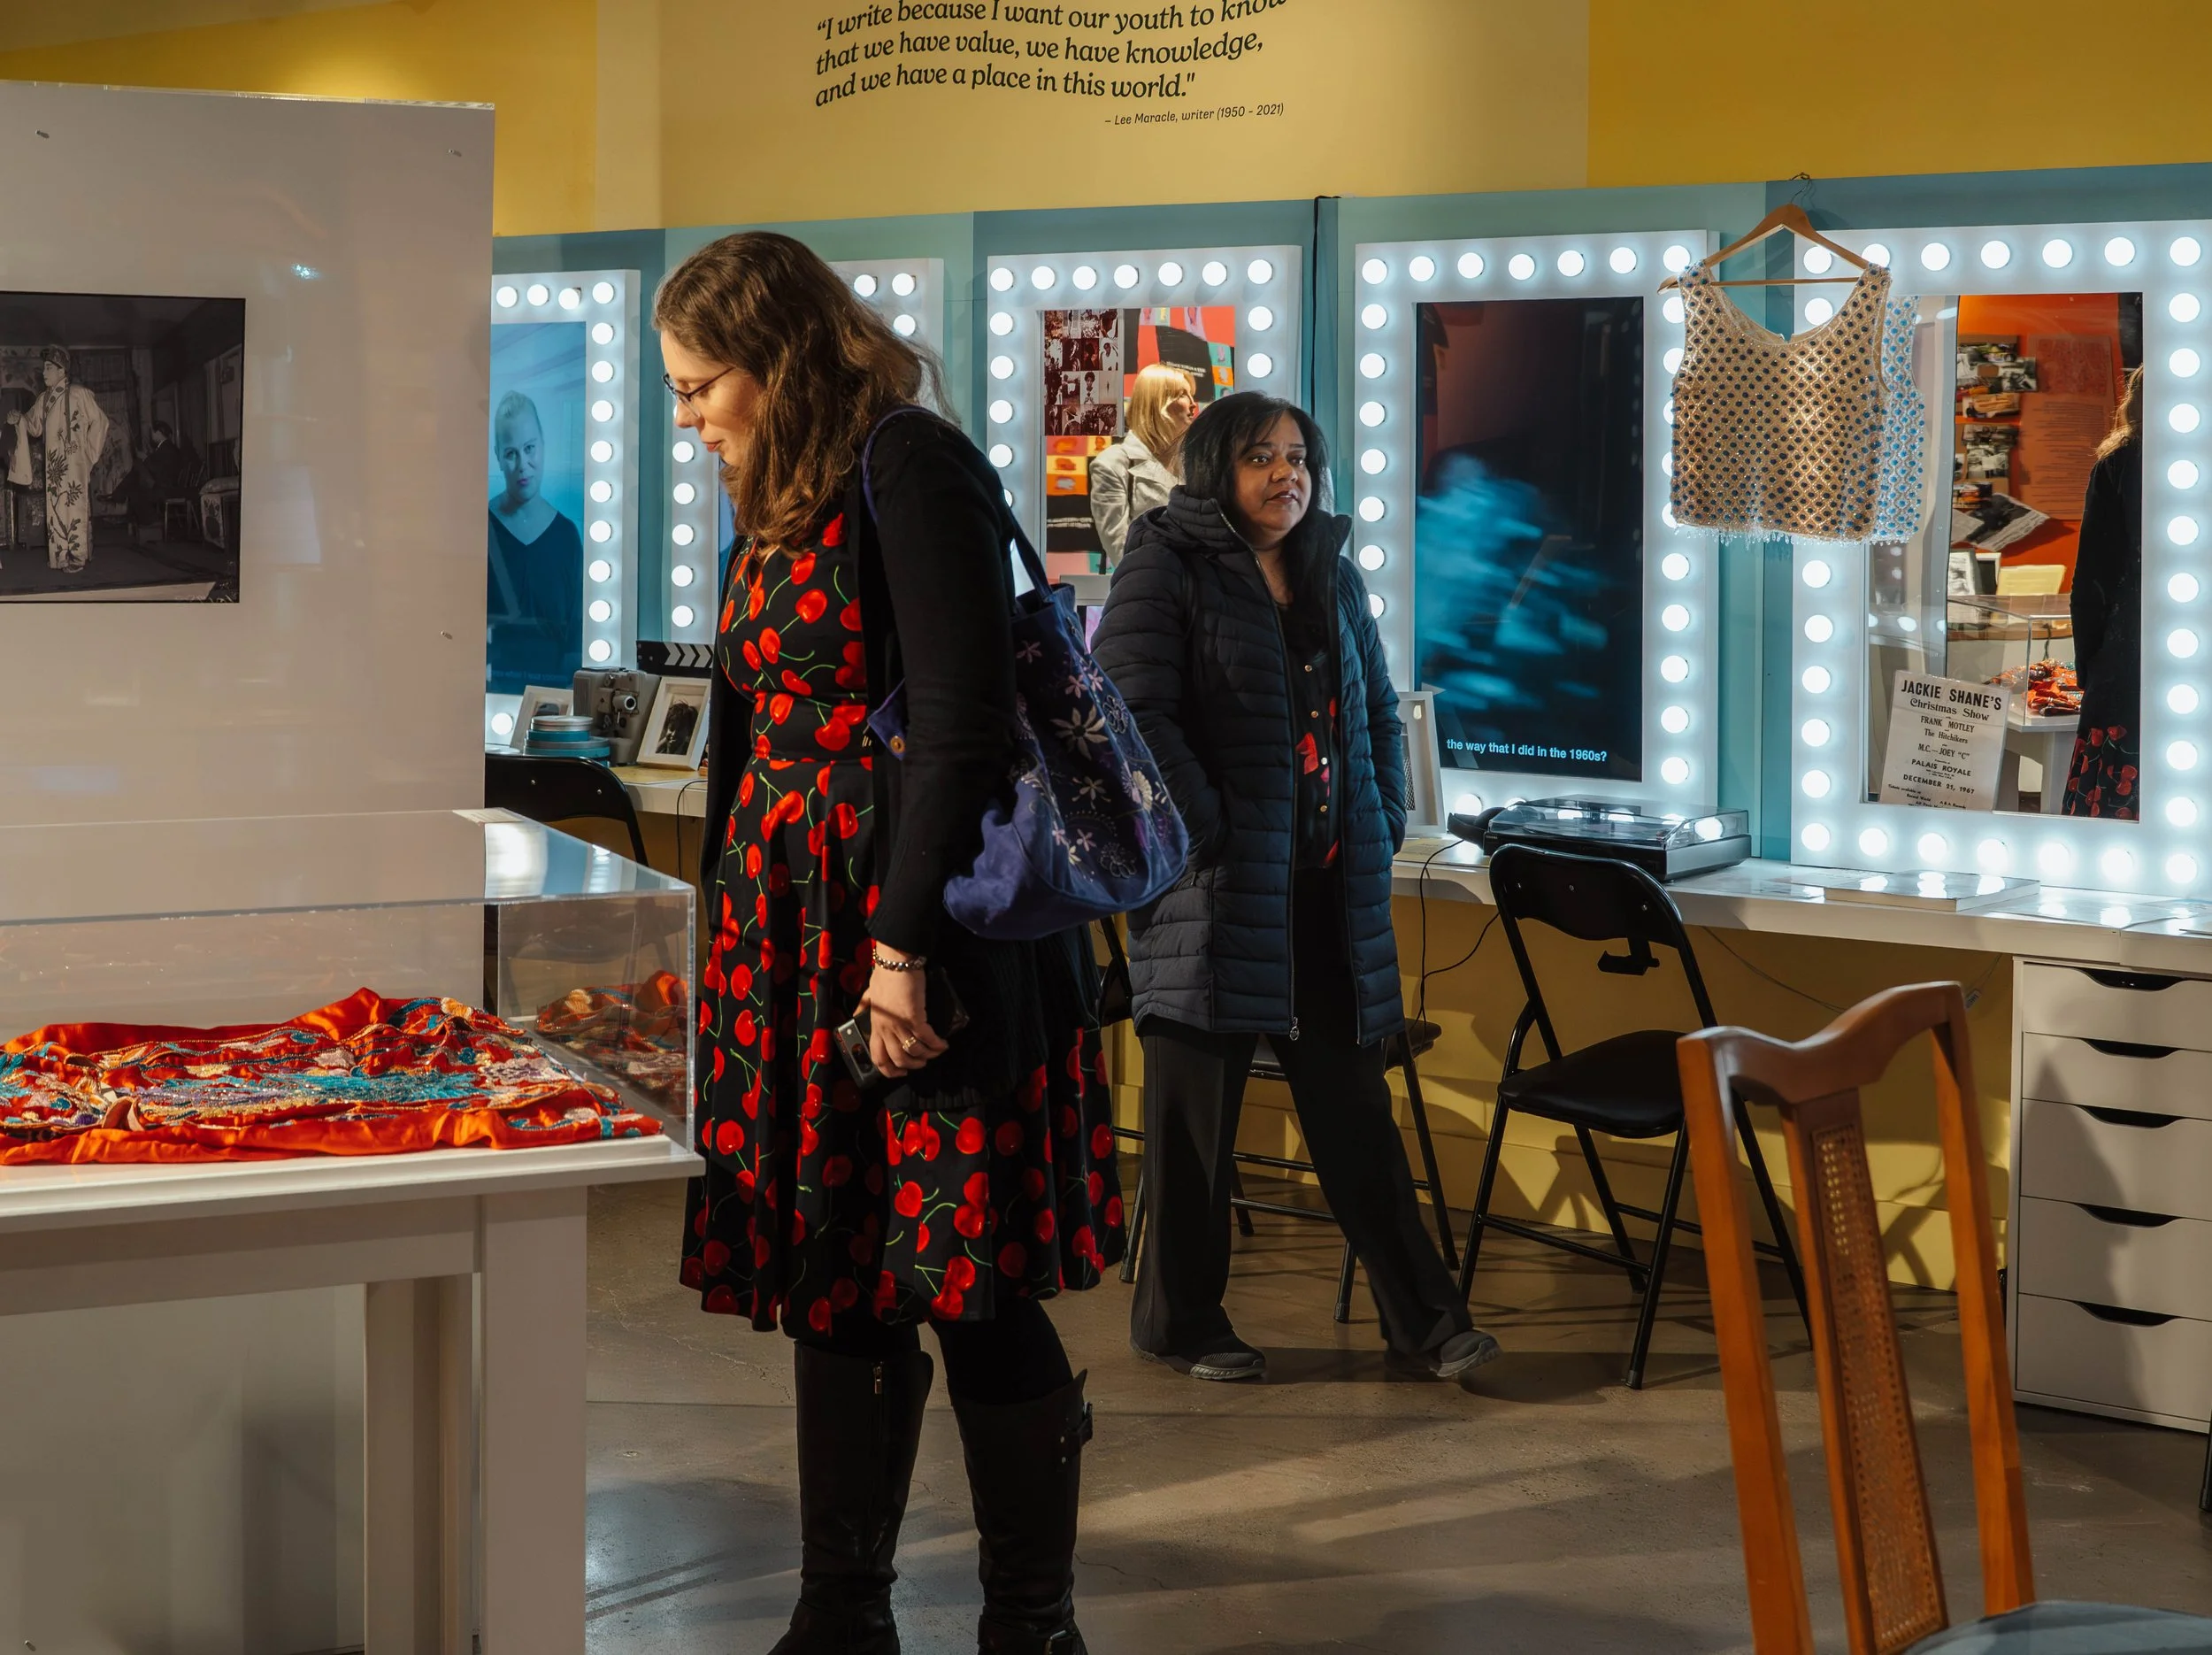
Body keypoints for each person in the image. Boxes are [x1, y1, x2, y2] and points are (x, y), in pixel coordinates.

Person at [657, 230, 1122, 1655]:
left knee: (962, 1279)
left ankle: (1030, 1624)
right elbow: (756, 729)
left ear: (781, 355)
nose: (689, 417)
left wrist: (901, 953)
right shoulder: (781, 487)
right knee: (836, 1269)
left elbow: (966, 725)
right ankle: (841, 1604)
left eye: (703, 383)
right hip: (788, 940)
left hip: (918, 935)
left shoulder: (907, 463)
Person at [1092, 392, 1499, 1385]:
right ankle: (1182, 1321)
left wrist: (1380, 805)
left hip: (1325, 891)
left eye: (1297, 456)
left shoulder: (1328, 568)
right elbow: (1131, 715)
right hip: (1215, 893)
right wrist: (1213, 831)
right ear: (1213, 470)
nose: (1287, 474)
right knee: (1195, 1125)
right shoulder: (1164, 565)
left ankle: (1426, 1320)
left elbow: (1372, 705)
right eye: (1261, 457)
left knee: (1354, 1112)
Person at [2063, 366, 2144, 819]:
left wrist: (2088, 667)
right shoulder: (2119, 464)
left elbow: (2092, 578)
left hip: (2125, 653)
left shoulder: (2119, 463)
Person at [485, 389, 585, 694]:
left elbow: (576, 637)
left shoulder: (567, 537)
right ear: (498, 457)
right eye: (511, 453)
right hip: (486, 698)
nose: (522, 464)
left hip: (553, 700)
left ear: (543, 446)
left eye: (529, 448)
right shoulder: (479, 528)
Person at [8, 348, 111, 573]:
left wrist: (88, 454)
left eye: (49, 367)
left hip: (75, 462)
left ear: (62, 370)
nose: (43, 372)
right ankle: (60, 555)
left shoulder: (79, 394)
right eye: (44, 367)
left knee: (74, 504)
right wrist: (20, 420)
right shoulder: (44, 399)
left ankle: (77, 555)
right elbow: (33, 427)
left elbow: (101, 422)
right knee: (55, 504)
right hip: (53, 463)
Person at [1087, 362, 1195, 566]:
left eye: (1191, 395)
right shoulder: (1112, 464)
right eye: (1183, 395)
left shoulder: (1193, 464)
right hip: (1148, 584)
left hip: (1199, 586)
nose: (1193, 404)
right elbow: (1119, 548)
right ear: (1158, 402)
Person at [117, 420, 201, 536]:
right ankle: (121, 495)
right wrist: (146, 459)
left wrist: (145, 458)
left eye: (153, 433)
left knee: (135, 490)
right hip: (164, 484)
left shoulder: (168, 449)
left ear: (159, 433)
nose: (152, 436)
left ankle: (152, 521)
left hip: (167, 488)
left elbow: (158, 470)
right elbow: (158, 466)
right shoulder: (165, 448)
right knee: (136, 476)